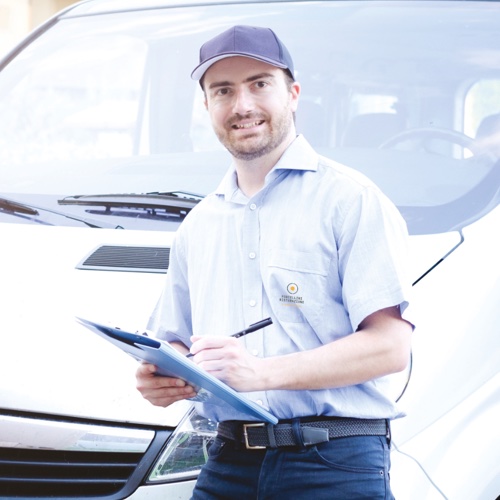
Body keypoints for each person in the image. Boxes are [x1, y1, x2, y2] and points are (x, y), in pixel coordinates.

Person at [136, 25, 413, 499]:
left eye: (259, 84)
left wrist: (260, 373)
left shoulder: (351, 200)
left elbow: (390, 348)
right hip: (227, 463)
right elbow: (178, 342)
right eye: (223, 90)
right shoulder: (199, 224)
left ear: (294, 95)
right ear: (207, 107)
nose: (242, 105)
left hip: (334, 463)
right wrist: (165, 374)